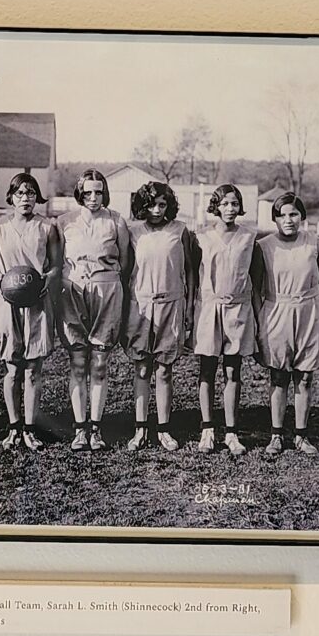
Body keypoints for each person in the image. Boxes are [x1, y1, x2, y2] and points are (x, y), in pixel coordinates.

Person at [55, 169, 132, 451]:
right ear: (79, 193)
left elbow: (125, 262)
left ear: (105, 192)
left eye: (98, 192)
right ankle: (79, 429)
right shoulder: (64, 221)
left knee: (99, 364)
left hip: (107, 289)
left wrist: (108, 285)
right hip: (72, 292)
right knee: (77, 362)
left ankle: (96, 428)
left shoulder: (116, 221)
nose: (93, 197)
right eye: (87, 192)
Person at [0, 172, 61, 452]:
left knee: (32, 370)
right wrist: (1, 278)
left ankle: (30, 430)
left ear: (37, 197)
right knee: (11, 369)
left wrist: (47, 280)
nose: (26, 198)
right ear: (11, 196)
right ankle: (13, 428)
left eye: (31, 193)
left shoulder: (47, 227)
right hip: (7, 302)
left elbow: (56, 265)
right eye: (20, 193)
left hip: (37, 302)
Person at [254, 191, 319, 456]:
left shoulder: (315, 244)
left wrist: (312, 307)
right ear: (274, 219)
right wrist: (259, 319)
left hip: (310, 311)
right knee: (278, 375)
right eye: (282, 215)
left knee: (305, 376)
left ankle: (301, 435)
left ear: (302, 217)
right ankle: (276, 436)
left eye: (294, 214)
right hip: (276, 312)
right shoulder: (264, 246)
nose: (289, 220)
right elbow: (255, 288)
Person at [125, 180, 198, 450]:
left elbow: (191, 271)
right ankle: (140, 429)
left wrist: (189, 307)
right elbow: (125, 272)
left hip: (172, 304)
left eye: (162, 204)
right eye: (151, 204)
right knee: (142, 367)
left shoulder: (180, 231)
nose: (156, 210)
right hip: (141, 306)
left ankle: (164, 429)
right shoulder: (133, 232)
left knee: (165, 370)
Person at [192, 184, 261, 454]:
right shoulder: (202, 237)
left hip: (238, 310)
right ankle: (207, 430)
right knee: (206, 371)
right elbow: (193, 276)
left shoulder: (248, 238)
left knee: (233, 371)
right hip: (210, 309)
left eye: (234, 204)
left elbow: (255, 280)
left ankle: (232, 433)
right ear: (215, 206)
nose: (230, 209)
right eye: (225, 204)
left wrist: (257, 316)